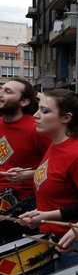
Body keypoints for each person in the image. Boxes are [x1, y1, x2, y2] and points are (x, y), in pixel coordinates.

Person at [20, 89, 78, 269]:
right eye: (38, 109)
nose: (35, 115)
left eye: (45, 111)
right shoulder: (55, 143)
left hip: (73, 244)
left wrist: (47, 215)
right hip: (49, 238)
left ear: (66, 118)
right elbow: (58, 178)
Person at [0, 79, 51, 241]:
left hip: (24, 206)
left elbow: (58, 167)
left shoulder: (37, 128)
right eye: (1, 89)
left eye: (8, 92)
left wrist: (28, 174)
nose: (1, 94)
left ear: (24, 101)